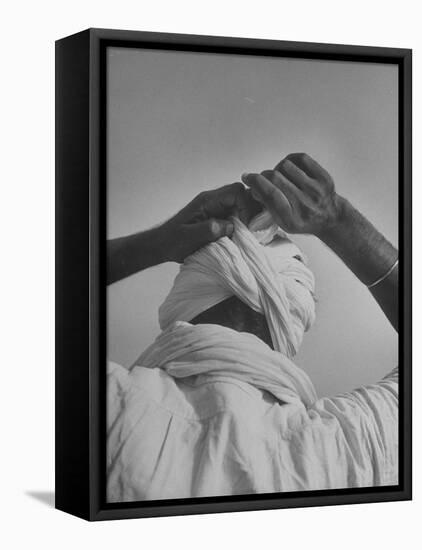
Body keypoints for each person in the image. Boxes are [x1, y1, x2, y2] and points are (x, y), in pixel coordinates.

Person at [106, 153, 398, 502]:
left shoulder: (112, 405)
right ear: (298, 311)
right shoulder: (347, 446)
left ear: (184, 290)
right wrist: (336, 218)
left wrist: (158, 243)